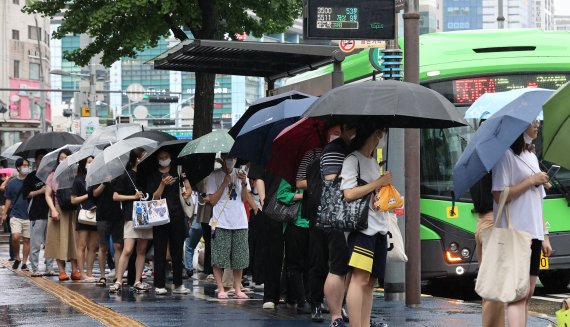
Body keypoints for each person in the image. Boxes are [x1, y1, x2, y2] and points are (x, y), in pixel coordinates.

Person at [491, 119, 552, 327]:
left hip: (533, 234)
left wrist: (545, 236)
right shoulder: (505, 156)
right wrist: (530, 181)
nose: (537, 124)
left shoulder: (531, 156)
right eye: (532, 121)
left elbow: (539, 201)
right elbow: (499, 195)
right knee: (518, 294)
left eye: (537, 120)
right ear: (519, 126)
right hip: (516, 232)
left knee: (528, 292)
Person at [341, 123, 392, 327]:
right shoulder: (353, 160)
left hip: (380, 227)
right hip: (363, 229)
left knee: (371, 282)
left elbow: (373, 193)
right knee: (360, 279)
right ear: (375, 134)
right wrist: (377, 183)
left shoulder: (373, 162)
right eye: (381, 133)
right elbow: (348, 193)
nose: (382, 138)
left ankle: (365, 323)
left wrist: (385, 187)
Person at [295, 123, 342, 321]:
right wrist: (321, 178)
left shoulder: (345, 155)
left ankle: (338, 305)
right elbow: (298, 181)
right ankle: (315, 302)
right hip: (317, 214)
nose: (337, 136)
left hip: (340, 215)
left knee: (339, 264)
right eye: (335, 132)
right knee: (317, 261)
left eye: (340, 132)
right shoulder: (313, 155)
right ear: (326, 134)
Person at [315, 122, 357, 326]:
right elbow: (331, 179)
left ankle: (342, 309)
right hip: (337, 215)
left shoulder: (350, 149)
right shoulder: (334, 149)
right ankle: (335, 316)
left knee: (348, 267)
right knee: (338, 266)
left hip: (350, 216)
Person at [206, 154, 250, 299]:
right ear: (223, 158)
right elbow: (211, 200)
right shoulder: (214, 175)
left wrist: (243, 183)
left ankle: (237, 289)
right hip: (221, 221)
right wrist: (224, 183)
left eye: (233, 157)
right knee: (219, 257)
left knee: (239, 257)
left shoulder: (241, 174)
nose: (231, 160)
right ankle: (221, 288)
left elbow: (244, 199)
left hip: (239, 221)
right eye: (228, 157)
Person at [147, 150, 191, 295]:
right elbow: (155, 196)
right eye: (161, 158)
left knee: (177, 250)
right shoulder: (153, 174)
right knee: (159, 250)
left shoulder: (178, 170)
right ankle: (159, 284)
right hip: (159, 215)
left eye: (166, 157)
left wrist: (187, 192)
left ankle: (178, 283)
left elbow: (188, 186)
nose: (164, 160)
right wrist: (162, 183)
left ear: (171, 157)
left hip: (177, 214)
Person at [109, 148, 152, 293]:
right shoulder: (126, 175)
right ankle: (118, 280)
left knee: (141, 250)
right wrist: (132, 197)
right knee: (127, 249)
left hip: (145, 214)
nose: (145, 159)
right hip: (130, 215)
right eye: (143, 157)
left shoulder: (147, 175)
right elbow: (115, 196)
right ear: (136, 159)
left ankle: (137, 281)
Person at [470, 172, 505, 327]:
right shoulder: (495, 167)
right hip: (493, 221)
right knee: (495, 286)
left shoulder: (476, 164)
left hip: (483, 221)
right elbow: (501, 195)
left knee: (492, 286)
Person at [276, 178, 310, 313]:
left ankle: (308, 299)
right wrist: (302, 195)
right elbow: (281, 195)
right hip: (294, 224)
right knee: (295, 265)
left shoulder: (318, 172)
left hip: (313, 225)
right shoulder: (291, 174)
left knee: (310, 265)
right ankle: (302, 300)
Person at [45, 148, 78, 281]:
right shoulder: (53, 175)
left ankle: (75, 270)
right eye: (61, 157)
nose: (63, 160)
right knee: (58, 240)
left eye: (66, 158)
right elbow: (47, 194)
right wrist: (53, 209)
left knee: (74, 240)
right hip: (58, 209)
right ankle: (62, 271)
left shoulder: (75, 174)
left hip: (73, 210)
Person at [22, 150, 56, 277]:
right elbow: (26, 194)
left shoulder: (51, 175)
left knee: (50, 243)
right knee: (35, 243)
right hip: (36, 213)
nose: (42, 161)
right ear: (35, 160)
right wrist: (40, 191)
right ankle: (35, 268)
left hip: (51, 213)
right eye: (40, 158)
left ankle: (49, 268)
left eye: (44, 159)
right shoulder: (31, 177)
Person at [71, 156, 99, 282]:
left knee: (93, 246)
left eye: (93, 161)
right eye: (88, 161)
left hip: (96, 214)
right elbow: (73, 200)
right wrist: (88, 195)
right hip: (83, 214)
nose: (91, 164)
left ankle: (89, 272)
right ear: (83, 163)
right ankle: (81, 273)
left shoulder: (97, 178)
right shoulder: (78, 180)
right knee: (81, 245)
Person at [92, 176, 124, 286]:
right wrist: (104, 182)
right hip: (102, 216)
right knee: (103, 246)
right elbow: (95, 193)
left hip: (118, 215)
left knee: (118, 246)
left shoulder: (119, 175)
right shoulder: (97, 175)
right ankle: (102, 276)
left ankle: (118, 276)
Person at [1, 158, 32, 271]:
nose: (26, 167)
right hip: (15, 214)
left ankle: (24, 262)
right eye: (23, 165)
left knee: (27, 240)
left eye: (27, 165)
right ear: (18, 167)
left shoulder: (31, 181)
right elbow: (8, 199)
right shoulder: (12, 183)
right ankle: (17, 257)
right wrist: (4, 214)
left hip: (29, 215)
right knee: (15, 237)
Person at [184, 191, 201, 277]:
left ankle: (189, 268)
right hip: (211, 216)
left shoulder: (194, 190)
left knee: (189, 244)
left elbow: (191, 204)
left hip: (197, 217)